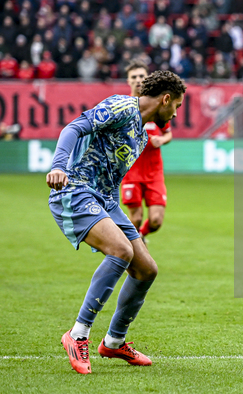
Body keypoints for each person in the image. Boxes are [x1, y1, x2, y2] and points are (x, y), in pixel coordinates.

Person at [46, 70, 186, 374]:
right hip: (75, 190)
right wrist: (58, 166)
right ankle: (77, 334)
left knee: (147, 268)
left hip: (106, 200)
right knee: (121, 251)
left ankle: (113, 342)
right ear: (165, 99)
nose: (176, 112)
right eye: (176, 105)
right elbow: (73, 128)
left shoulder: (141, 131)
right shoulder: (122, 107)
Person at [121, 61, 172, 242]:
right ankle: (134, 259)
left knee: (156, 221)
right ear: (128, 81)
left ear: (148, 78)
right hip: (130, 171)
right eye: (134, 77)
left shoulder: (158, 105)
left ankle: (140, 237)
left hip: (153, 172)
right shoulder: (124, 107)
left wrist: (162, 140)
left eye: (142, 76)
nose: (138, 80)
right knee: (134, 218)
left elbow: (168, 133)